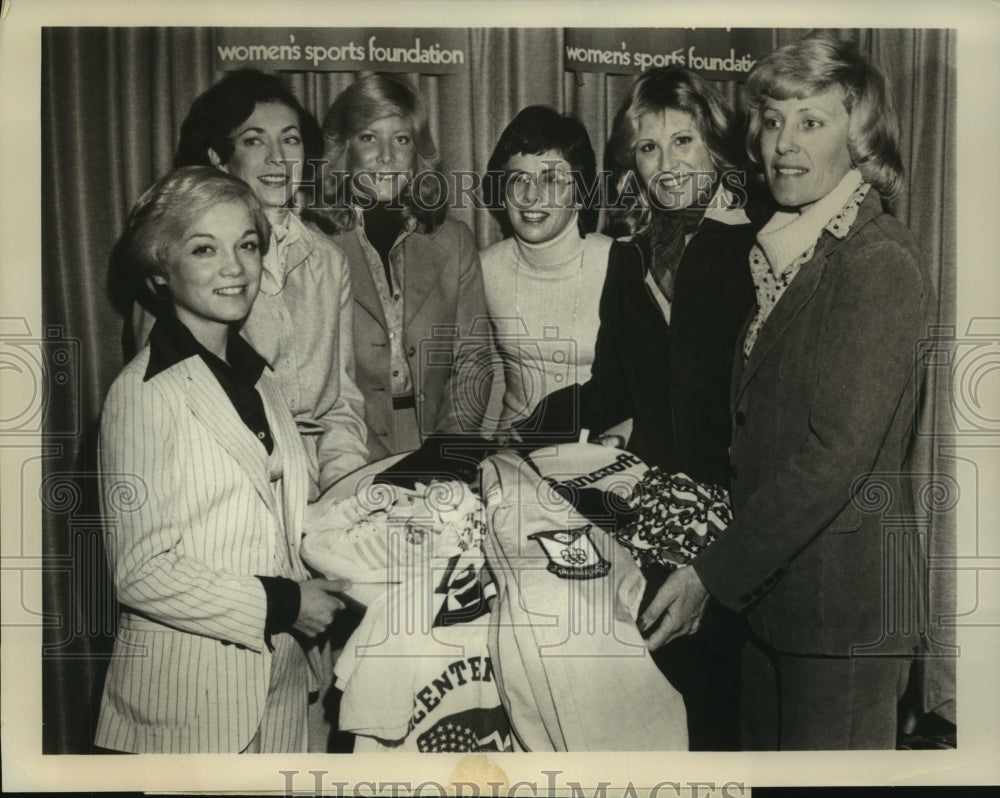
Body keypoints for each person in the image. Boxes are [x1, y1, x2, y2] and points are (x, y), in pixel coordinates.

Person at [639, 38, 934, 750]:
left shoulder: (877, 262)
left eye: (812, 122)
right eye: (772, 122)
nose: (784, 145)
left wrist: (710, 574)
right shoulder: (788, 247)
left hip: (845, 622)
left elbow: (833, 457)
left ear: (858, 135)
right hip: (774, 608)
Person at [517, 66, 758, 750]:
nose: (668, 164)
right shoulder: (628, 259)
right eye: (649, 148)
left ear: (716, 146)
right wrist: (517, 436)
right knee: (655, 725)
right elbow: (610, 393)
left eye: (684, 141)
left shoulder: (758, 247)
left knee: (725, 731)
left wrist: (725, 558)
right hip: (653, 527)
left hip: (739, 536)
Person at [95, 167, 351, 753]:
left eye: (248, 245)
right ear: (161, 268)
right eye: (204, 249)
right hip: (187, 710)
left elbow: (270, 526)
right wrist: (286, 604)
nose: (234, 267)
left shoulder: (259, 379)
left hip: (280, 696)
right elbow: (141, 571)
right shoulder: (143, 392)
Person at [128, 69, 368, 500]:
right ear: (220, 159)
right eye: (254, 140)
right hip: (226, 491)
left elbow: (341, 405)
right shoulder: (186, 264)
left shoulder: (330, 261)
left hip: (319, 484)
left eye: (291, 139)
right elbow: (168, 414)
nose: (277, 158)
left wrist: (344, 494)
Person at [308, 74, 493, 459]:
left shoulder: (454, 240)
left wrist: (446, 450)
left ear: (417, 153)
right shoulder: (313, 245)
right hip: (345, 446)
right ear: (345, 150)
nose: (387, 156)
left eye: (402, 139)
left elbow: (473, 361)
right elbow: (316, 382)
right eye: (369, 137)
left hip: (439, 440)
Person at [479, 105, 613, 432]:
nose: (531, 196)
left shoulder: (619, 264)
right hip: (512, 455)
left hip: (597, 452)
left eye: (551, 179)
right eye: (518, 179)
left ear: (580, 194)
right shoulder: (483, 267)